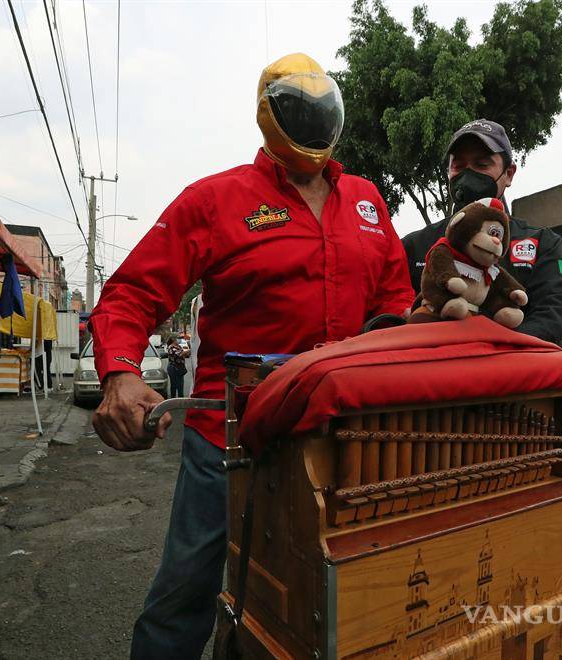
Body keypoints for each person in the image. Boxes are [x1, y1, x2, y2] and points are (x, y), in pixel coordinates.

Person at [89, 53, 413, 658]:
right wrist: (121, 375)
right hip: (228, 440)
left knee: (318, 593)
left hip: (338, 436)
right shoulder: (215, 200)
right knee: (187, 592)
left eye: (323, 110)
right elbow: (132, 293)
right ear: (268, 114)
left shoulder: (368, 204)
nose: (314, 123)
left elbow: (396, 303)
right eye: (299, 109)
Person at [401, 119, 562, 345]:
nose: (468, 175)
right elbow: (394, 308)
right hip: (431, 373)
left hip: (510, 375)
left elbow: (553, 319)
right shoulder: (415, 245)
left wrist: (487, 352)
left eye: (482, 165)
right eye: (459, 166)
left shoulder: (544, 244)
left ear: (509, 173)